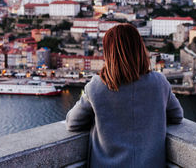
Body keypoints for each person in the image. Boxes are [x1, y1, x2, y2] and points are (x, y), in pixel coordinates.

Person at [66, 23, 183, 167]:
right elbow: (177, 116)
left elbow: (73, 123)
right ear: (140, 48)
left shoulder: (96, 86)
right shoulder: (159, 82)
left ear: (109, 53)